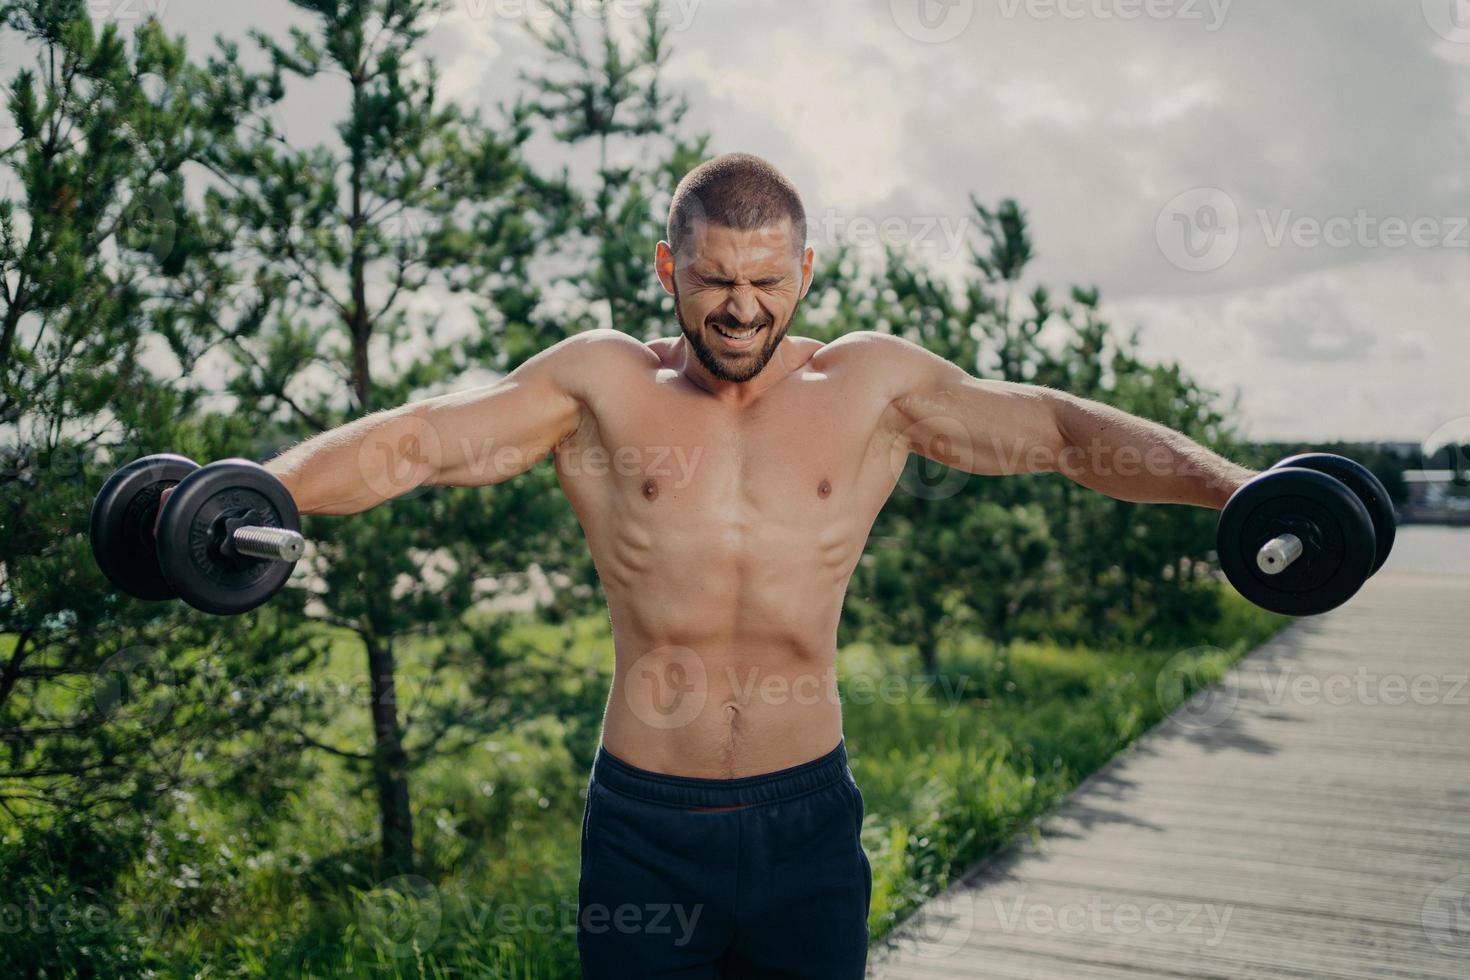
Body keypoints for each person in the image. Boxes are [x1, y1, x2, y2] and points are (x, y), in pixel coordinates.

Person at [259, 152, 1256, 977]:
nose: (741, 308)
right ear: (668, 269)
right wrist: (258, 491)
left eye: (766, 282)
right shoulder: (600, 385)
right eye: (715, 280)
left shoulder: (869, 387)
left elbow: (1059, 432)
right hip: (645, 829)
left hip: (806, 822)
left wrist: (1236, 490)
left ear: (806, 272)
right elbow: (423, 439)